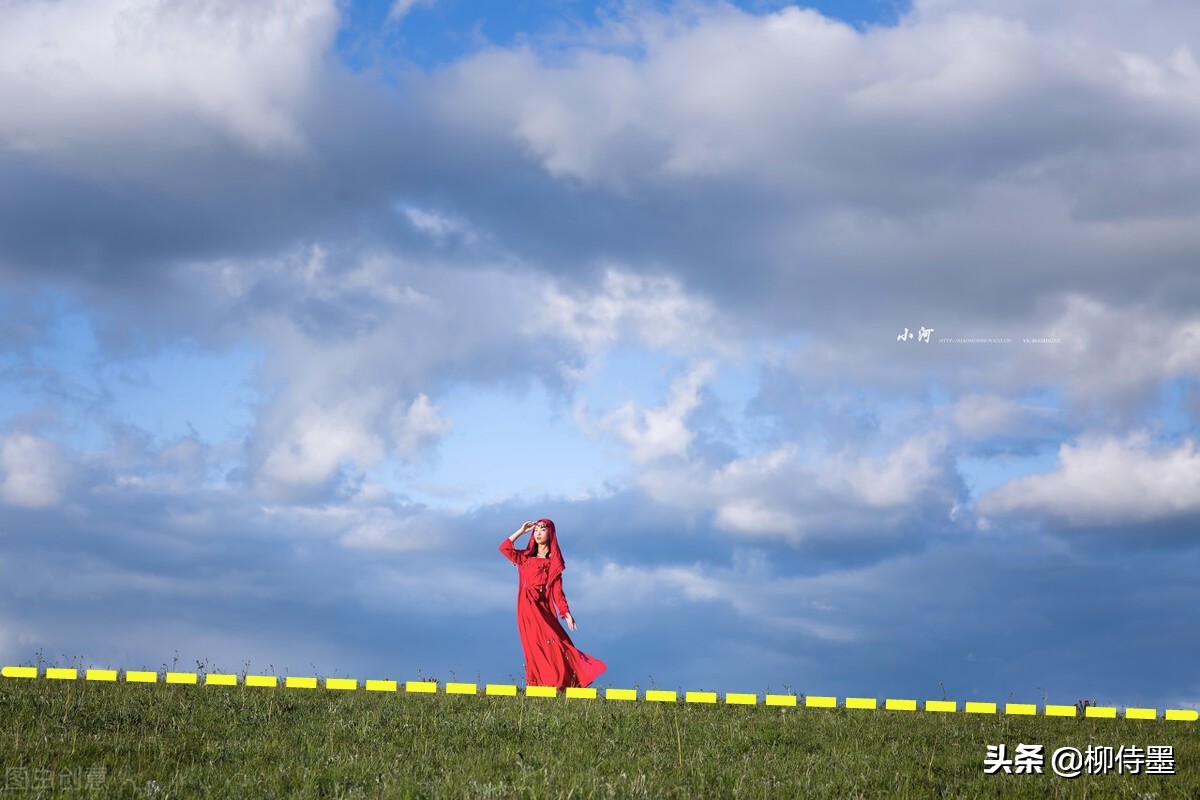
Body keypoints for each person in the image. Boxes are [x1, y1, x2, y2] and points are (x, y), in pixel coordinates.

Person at [499, 518, 606, 689]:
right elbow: (504, 548)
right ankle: (538, 683)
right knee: (534, 646)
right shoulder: (525, 557)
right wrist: (521, 531)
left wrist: (566, 613)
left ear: (551, 533)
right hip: (526, 607)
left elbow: (557, 591)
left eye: (542, 529)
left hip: (543, 608)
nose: (538, 533)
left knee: (555, 641)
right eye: (536, 530)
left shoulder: (552, 562)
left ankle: (560, 681)